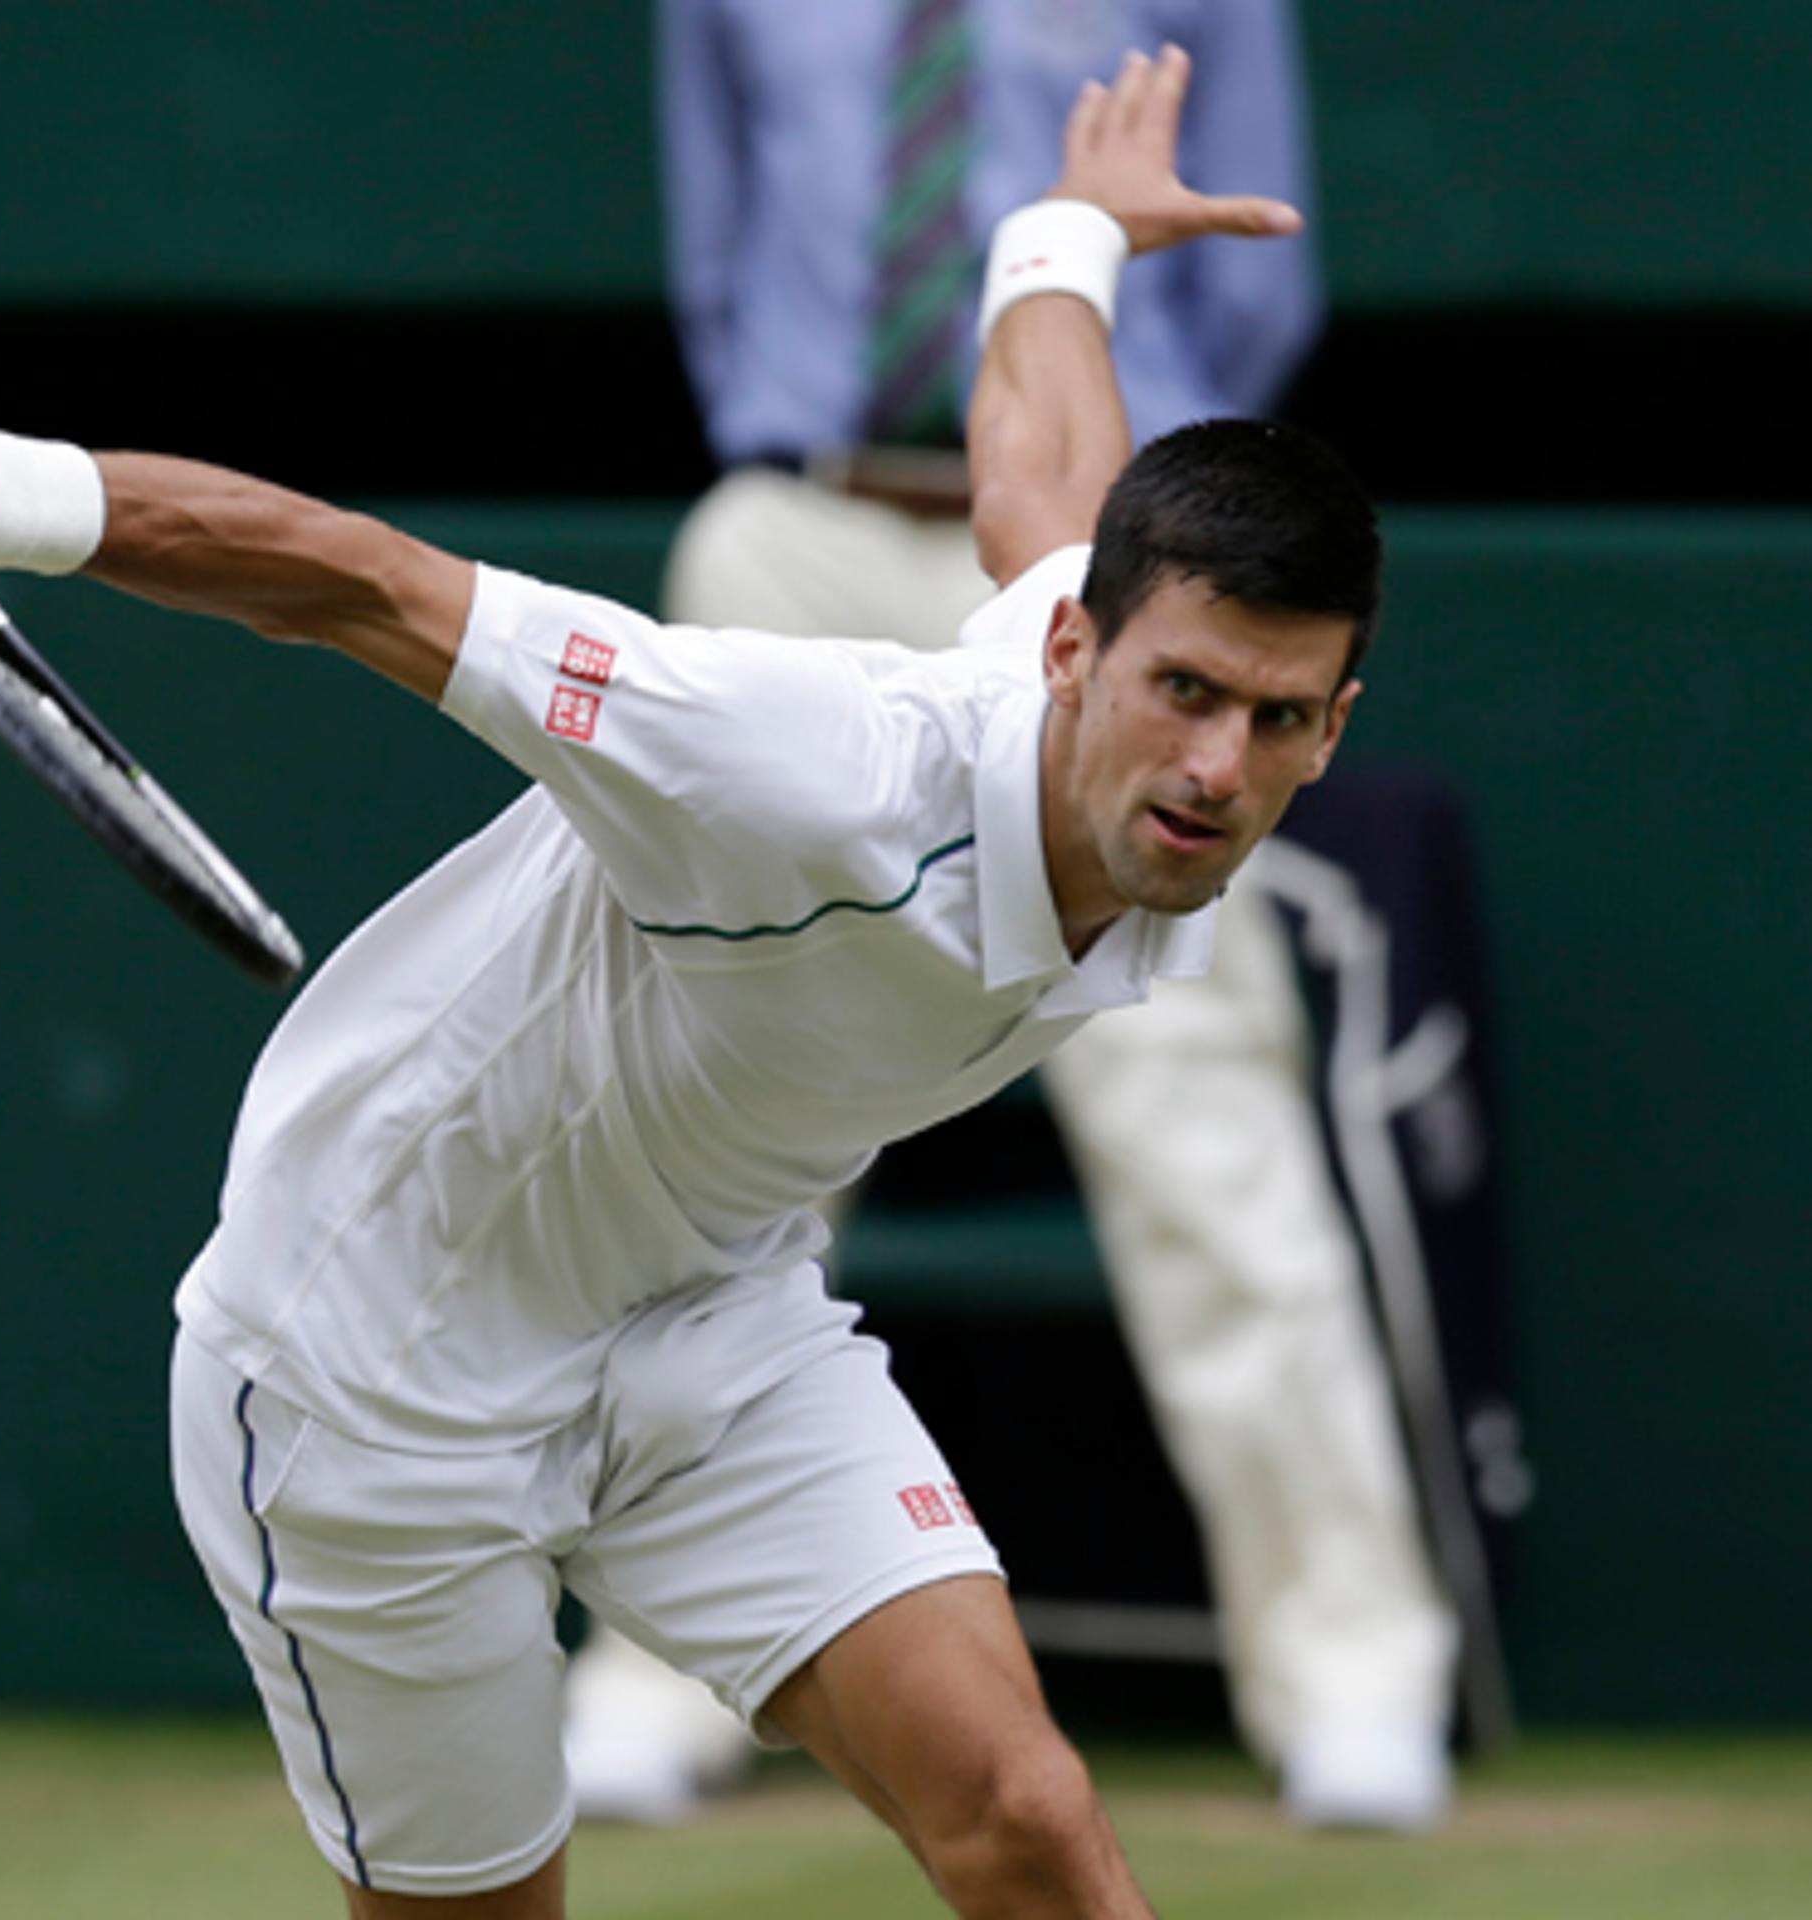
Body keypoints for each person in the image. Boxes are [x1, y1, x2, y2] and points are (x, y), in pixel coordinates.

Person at [0, 49, 1341, 1919]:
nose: (1215, 765)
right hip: (373, 1366)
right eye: (1184, 693)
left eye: (1275, 718)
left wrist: (1062, 234)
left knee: (1027, 1825)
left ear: (1332, 729)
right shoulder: (790, 758)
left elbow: (1045, 469)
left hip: (710, 1327)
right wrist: (2, 482)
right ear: (1083, 659)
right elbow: (369, 583)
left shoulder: (1141, 719)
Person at [563, 0, 1457, 1835]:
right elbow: (722, 243)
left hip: (1115, 560)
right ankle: (661, 1669)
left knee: (1205, 1126)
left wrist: (1153, 537)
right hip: (796, 531)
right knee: (701, 1125)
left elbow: (1253, 278)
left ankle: (1355, 1675)